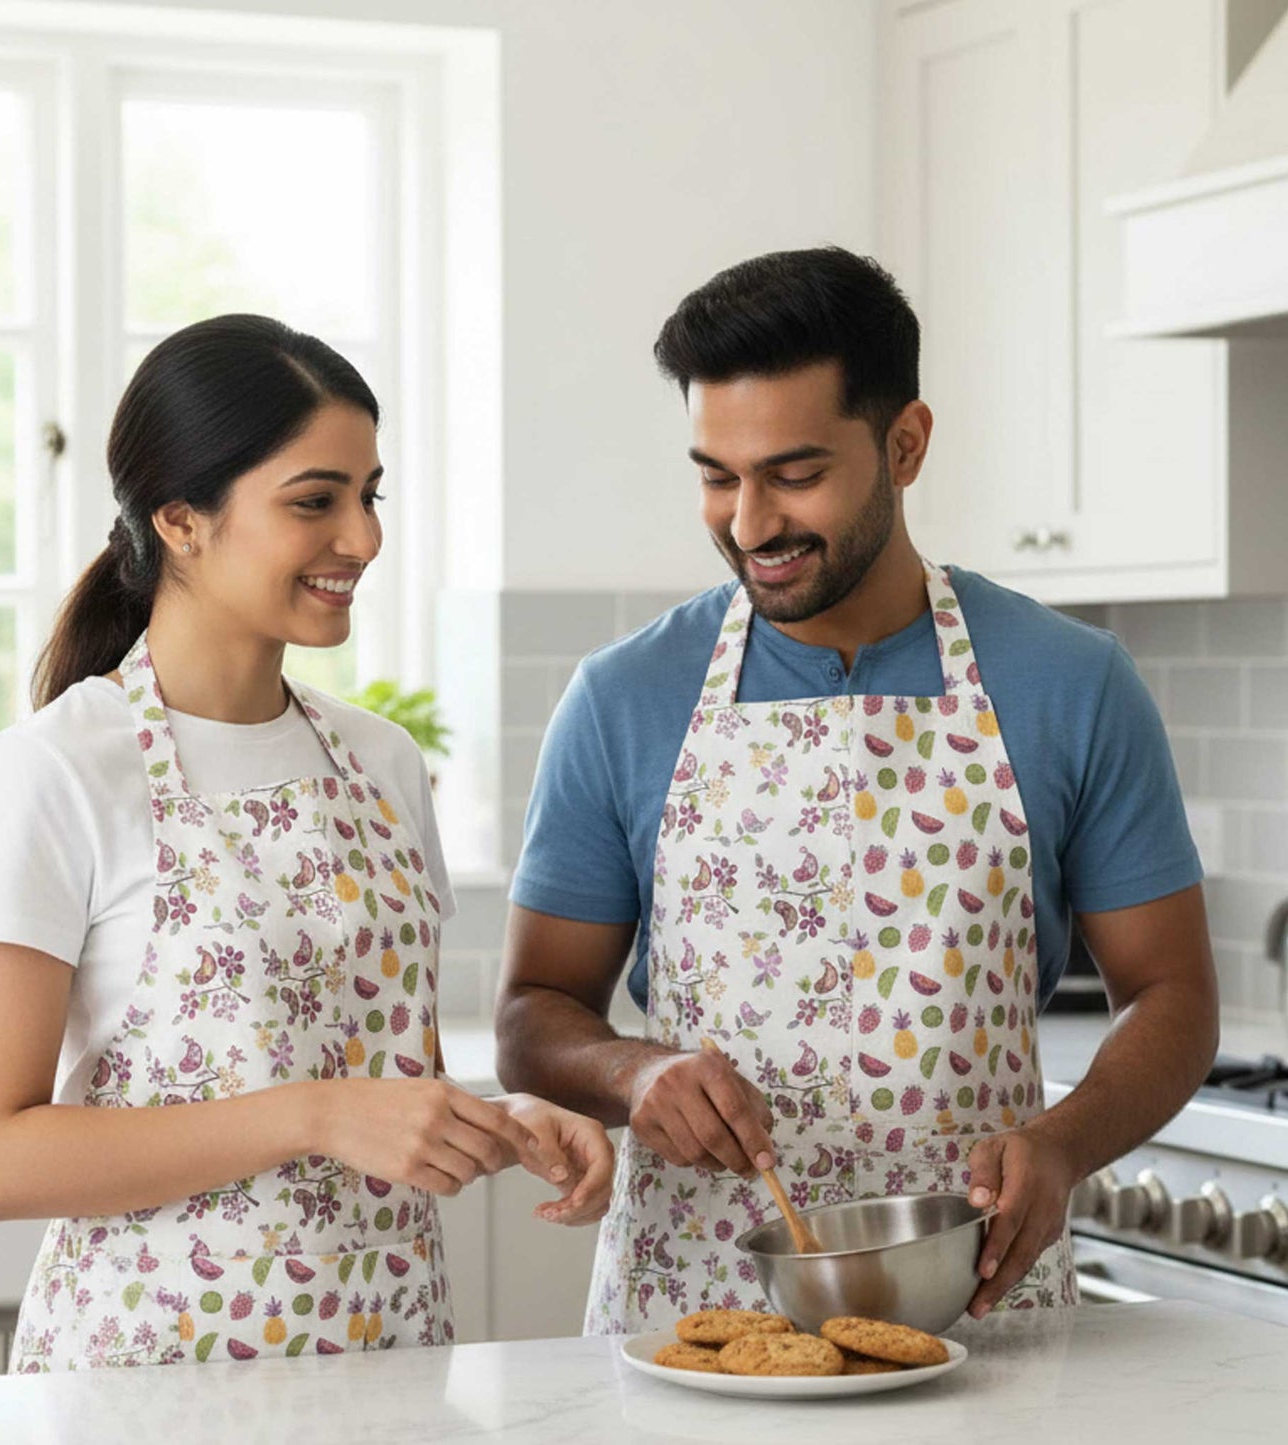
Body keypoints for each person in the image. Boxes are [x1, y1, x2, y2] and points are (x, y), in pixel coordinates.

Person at [494, 248, 1218, 1332]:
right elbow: (529, 1013)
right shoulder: (624, 695)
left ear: (904, 444)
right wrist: (632, 1071)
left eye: (792, 474)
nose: (747, 523)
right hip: (697, 1321)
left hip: (977, 1307)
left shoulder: (1068, 682)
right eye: (713, 475)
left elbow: (1172, 993)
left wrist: (1061, 1146)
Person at [0, 314, 613, 1371]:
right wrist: (314, 1115)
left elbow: (379, 1080)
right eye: (315, 500)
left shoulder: (382, 763)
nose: (364, 537)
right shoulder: (59, 770)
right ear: (180, 518)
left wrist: (499, 1117)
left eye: (368, 495)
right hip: (147, 1386)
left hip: (386, 1368)